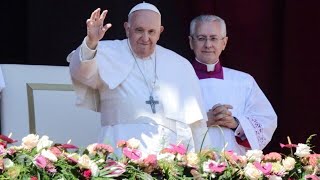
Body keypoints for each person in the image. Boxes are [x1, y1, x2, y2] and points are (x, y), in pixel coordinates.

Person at [67, 2, 206, 154]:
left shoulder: (179, 64)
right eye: (139, 30)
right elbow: (81, 72)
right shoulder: (107, 52)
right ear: (127, 28)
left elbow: (196, 123)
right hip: (118, 149)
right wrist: (91, 42)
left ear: (160, 32)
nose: (145, 38)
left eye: (151, 31)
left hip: (167, 157)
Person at [188, 15, 277, 154]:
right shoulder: (179, 79)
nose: (208, 45)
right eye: (201, 38)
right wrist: (203, 121)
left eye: (213, 38)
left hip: (234, 166)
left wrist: (235, 123)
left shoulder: (243, 81)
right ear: (191, 42)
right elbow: (164, 125)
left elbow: (267, 121)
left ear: (224, 43)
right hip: (190, 167)